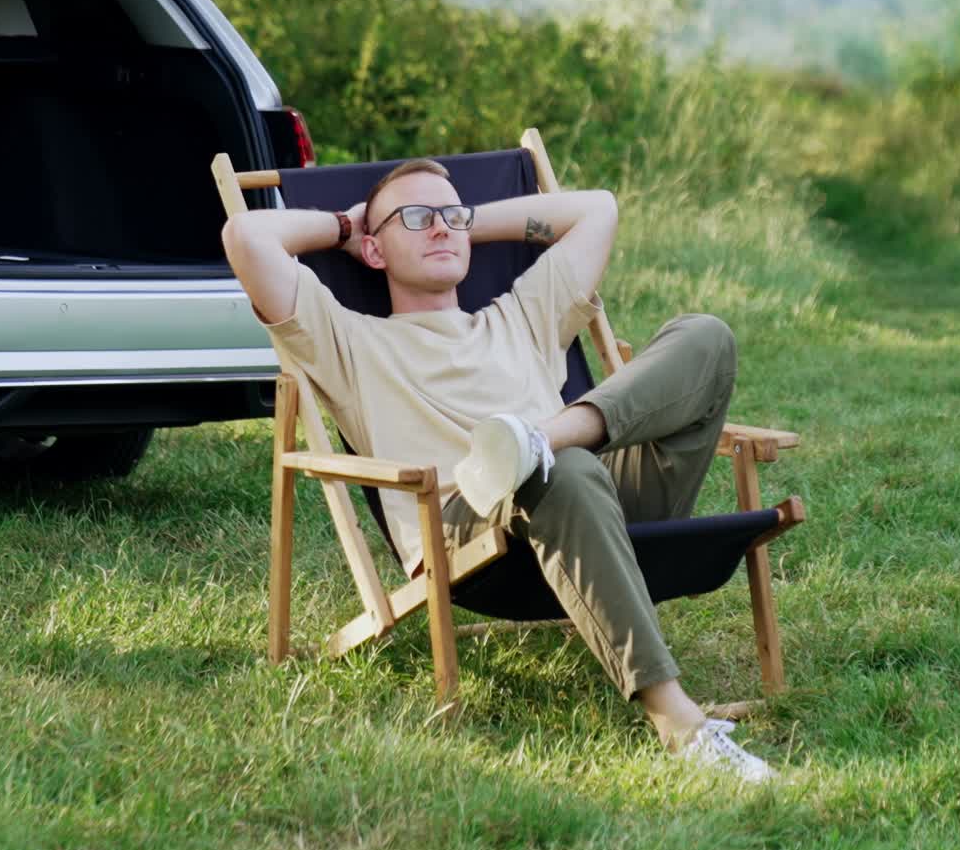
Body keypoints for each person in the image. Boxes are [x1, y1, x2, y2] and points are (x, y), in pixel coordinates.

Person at [221, 157, 774, 783]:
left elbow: (599, 208)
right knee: (565, 471)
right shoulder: (349, 341)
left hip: (591, 502)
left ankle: (540, 437)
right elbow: (246, 237)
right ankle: (681, 724)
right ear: (374, 250)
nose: (440, 228)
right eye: (417, 218)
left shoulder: (522, 315)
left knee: (705, 335)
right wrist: (349, 226)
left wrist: (460, 223)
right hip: (466, 522)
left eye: (451, 216)